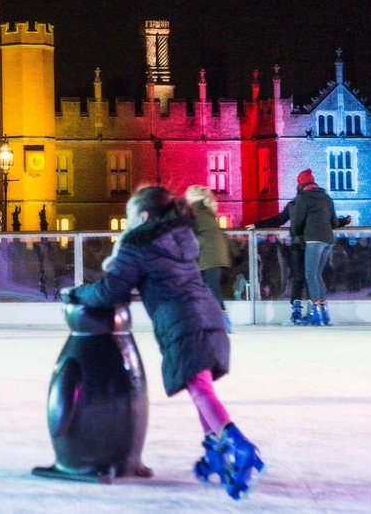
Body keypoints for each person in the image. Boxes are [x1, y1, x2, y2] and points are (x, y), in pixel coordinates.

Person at [60, 186, 264, 501]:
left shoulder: (139, 246)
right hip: (208, 316)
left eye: (129, 217)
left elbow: (111, 290)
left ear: (143, 217)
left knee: (200, 389)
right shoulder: (180, 237)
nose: (126, 223)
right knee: (201, 387)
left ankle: (236, 443)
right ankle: (215, 450)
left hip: (182, 323)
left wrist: (76, 293)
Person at [247, 195, 350, 325]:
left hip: (306, 245)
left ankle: (311, 311)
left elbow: (327, 223)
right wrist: (257, 224)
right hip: (301, 246)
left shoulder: (305, 204)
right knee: (303, 277)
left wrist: (343, 221)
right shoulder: (299, 205)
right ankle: (303, 311)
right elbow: (279, 219)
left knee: (308, 277)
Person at [290, 169, 340, 326]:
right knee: (318, 275)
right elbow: (335, 222)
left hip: (313, 240)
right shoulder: (326, 197)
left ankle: (315, 314)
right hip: (329, 240)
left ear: (301, 184)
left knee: (310, 275)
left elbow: (298, 222)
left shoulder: (303, 198)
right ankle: (324, 314)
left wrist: (296, 233)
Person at [185, 185, 233, 333]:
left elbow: (190, 233)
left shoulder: (195, 210)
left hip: (208, 255)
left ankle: (222, 324)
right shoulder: (204, 210)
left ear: (192, 197)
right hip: (214, 255)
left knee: (210, 290)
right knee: (209, 289)